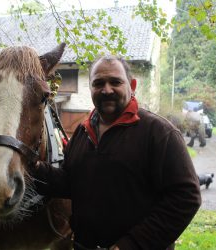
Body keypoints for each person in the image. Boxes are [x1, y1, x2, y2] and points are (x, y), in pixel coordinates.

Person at [32, 56, 201, 250]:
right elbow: (71, 183)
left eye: (115, 82)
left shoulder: (158, 132)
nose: (106, 90)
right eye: (98, 83)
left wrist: (132, 244)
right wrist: (33, 168)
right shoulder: (83, 132)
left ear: (132, 85)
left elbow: (186, 197)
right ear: (91, 89)